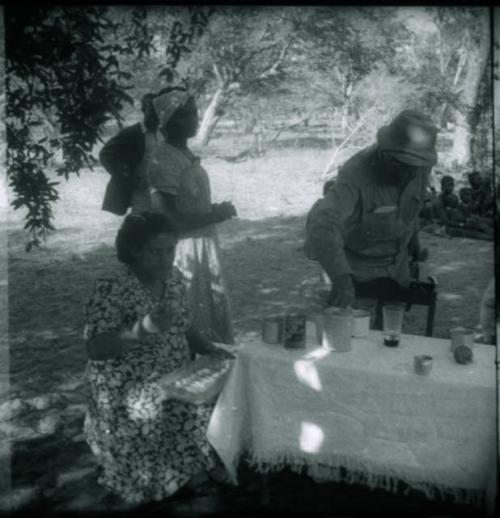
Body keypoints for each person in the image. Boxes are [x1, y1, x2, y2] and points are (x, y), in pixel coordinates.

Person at [83, 212, 233, 505]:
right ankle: (182, 474)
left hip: (173, 370)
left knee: (223, 381)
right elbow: (96, 348)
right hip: (126, 382)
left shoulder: (173, 279)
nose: (165, 259)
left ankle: (195, 464)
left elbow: (184, 323)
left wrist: (209, 348)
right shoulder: (112, 287)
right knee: (175, 405)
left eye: (170, 250)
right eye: (156, 251)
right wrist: (142, 330)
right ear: (134, 250)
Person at [131, 87, 236, 344]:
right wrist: (215, 215)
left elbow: (192, 202)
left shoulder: (183, 154)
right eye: (186, 115)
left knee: (208, 315)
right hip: (182, 250)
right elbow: (170, 219)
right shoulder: (163, 159)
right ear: (168, 122)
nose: (194, 120)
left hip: (203, 244)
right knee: (187, 318)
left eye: (194, 114)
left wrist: (212, 212)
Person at [305, 110, 438, 308]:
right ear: (386, 153)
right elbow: (323, 224)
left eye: (416, 166)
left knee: (390, 333)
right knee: (353, 334)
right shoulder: (356, 173)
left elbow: (410, 210)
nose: (412, 173)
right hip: (356, 273)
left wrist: (413, 243)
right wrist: (341, 280)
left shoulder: (418, 167)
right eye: (404, 165)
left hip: (398, 270)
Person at [100, 93, 158, 215]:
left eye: (158, 112)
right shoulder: (131, 133)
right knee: (141, 222)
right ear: (144, 110)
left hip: (158, 189)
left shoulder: (161, 133)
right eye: (151, 111)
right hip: (140, 189)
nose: (155, 115)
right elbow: (105, 154)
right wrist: (127, 178)